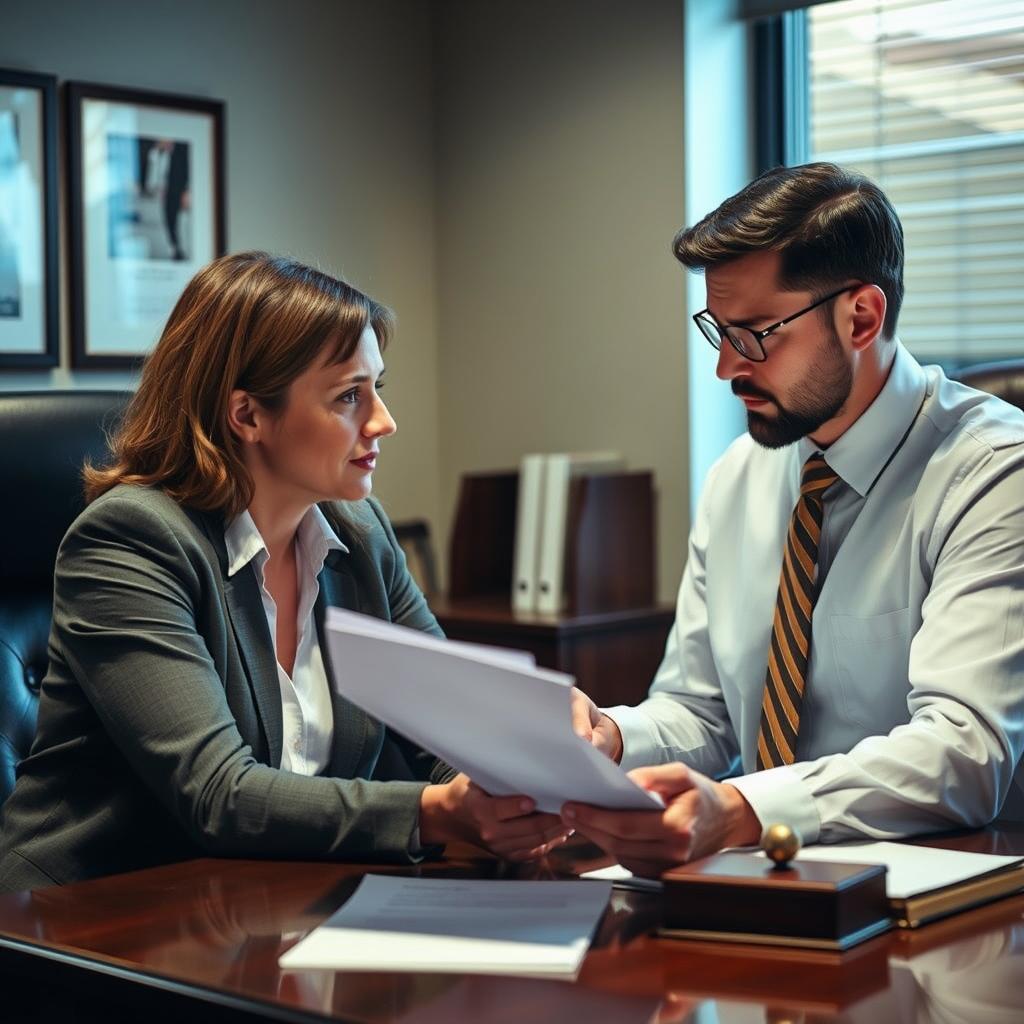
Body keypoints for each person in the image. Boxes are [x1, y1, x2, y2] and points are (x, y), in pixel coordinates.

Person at [0, 251, 567, 891]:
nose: (384, 420)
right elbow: (219, 793)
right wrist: (439, 814)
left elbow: (444, 733)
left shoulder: (361, 533)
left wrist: (522, 784)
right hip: (87, 922)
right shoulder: (131, 542)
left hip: (262, 906)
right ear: (248, 416)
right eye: (349, 396)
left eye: (378, 388)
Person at [565, 163, 1024, 877]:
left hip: (955, 906)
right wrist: (610, 738)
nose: (726, 368)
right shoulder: (738, 478)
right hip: (769, 884)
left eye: (753, 334)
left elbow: (964, 752)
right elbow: (703, 715)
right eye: (718, 331)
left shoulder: (994, 474)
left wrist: (744, 810)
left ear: (861, 317)